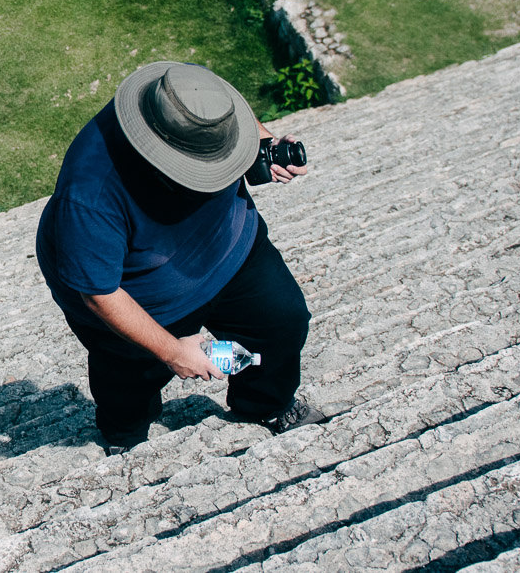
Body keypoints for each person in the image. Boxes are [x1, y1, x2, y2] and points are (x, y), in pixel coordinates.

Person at [35, 62, 321, 454]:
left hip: (230, 248)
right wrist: (173, 352)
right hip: (142, 298)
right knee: (128, 384)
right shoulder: (89, 195)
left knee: (282, 322)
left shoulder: (185, 93)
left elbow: (225, 106)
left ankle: (266, 406)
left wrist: (263, 145)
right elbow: (99, 292)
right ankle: (126, 440)